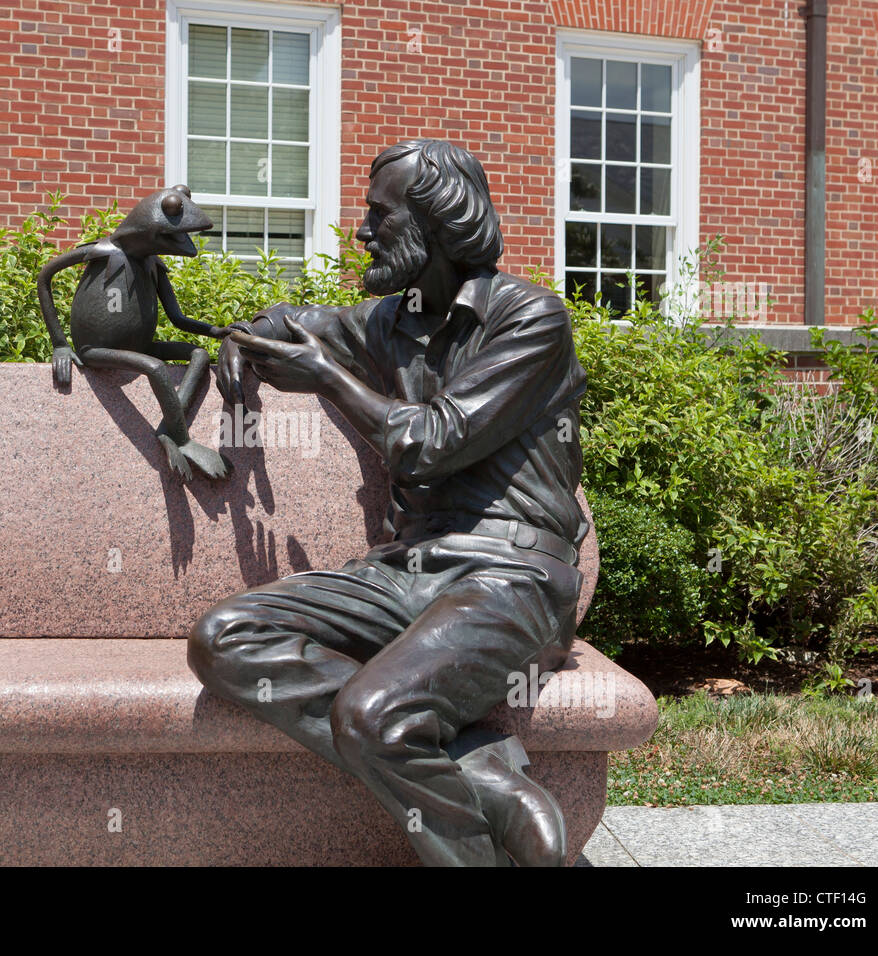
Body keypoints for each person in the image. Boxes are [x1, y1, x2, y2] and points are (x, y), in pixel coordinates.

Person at [187, 139, 588, 867]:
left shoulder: (529, 319)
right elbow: (301, 324)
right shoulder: (390, 320)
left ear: (436, 222)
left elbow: (433, 440)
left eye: (379, 215)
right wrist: (250, 336)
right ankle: (474, 768)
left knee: (372, 715)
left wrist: (330, 379)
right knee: (225, 637)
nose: (362, 232)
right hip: (407, 571)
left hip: (511, 577)